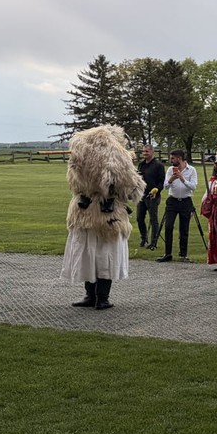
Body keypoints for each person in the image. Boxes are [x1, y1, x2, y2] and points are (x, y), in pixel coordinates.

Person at [62, 124, 145, 310]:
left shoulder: (78, 160)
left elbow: (74, 185)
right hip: (101, 215)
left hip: (90, 214)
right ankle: (96, 297)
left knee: (94, 255)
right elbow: (133, 191)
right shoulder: (118, 159)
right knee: (97, 256)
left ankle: (98, 296)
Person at [156, 149, 198, 263]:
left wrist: (182, 179)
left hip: (185, 201)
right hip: (172, 201)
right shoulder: (170, 170)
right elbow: (165, 186)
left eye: (173, 158)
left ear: (179, 159)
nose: (171, 160)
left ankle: (183, 254)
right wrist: (171, 179)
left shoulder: (191, 170)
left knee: (184, 229)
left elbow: (193, 187)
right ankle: (168, 253)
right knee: (168, 226)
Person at [136, 144, 165, 249]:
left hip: (153, 196)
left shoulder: (158, 166)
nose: (145, 153)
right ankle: (144, 238)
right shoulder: (141, 164)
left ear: (152, 152)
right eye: (143, 151)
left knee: (153, 219)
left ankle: (154, 242)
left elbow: (162, 182)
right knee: (139, 218)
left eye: (147, 151)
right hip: (142, 195)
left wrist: (156, 190)